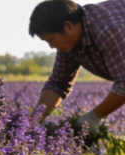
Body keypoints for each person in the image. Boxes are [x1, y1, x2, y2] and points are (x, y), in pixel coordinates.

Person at [30, 0, 125, 133]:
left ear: (68, 26)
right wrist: (32, 122)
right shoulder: (70, 41)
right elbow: (58, 84)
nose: (51, 46)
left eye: (50, 39)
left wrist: (94, 116)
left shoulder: (108, 30)